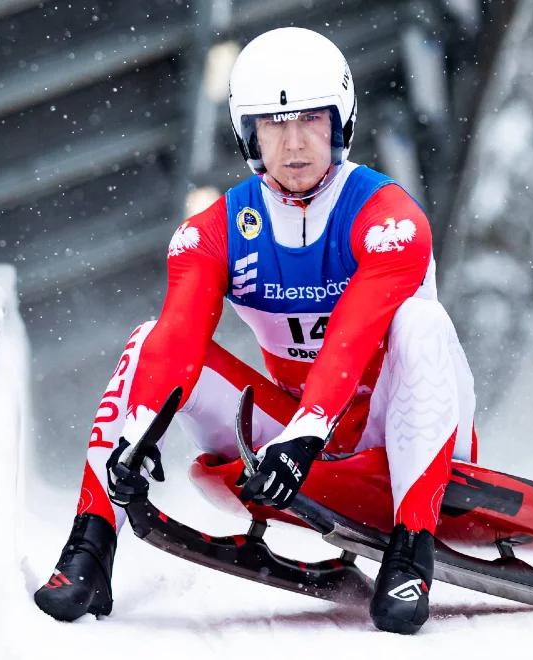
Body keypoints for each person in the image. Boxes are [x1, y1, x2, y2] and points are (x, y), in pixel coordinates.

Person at [32, 26, 477, 635]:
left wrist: (307, 431)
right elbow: (180, 335)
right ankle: (90, 546)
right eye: (273, 124)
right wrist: (139, 436)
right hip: (300, 427)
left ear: (340, 123)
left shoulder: (390, 217)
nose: (293, 144)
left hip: (407, 428)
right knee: (145, 343)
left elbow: (354, 332)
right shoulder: (212, 230)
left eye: (311, 122)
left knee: (420, 321)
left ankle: (411, 551)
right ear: (249, 132)